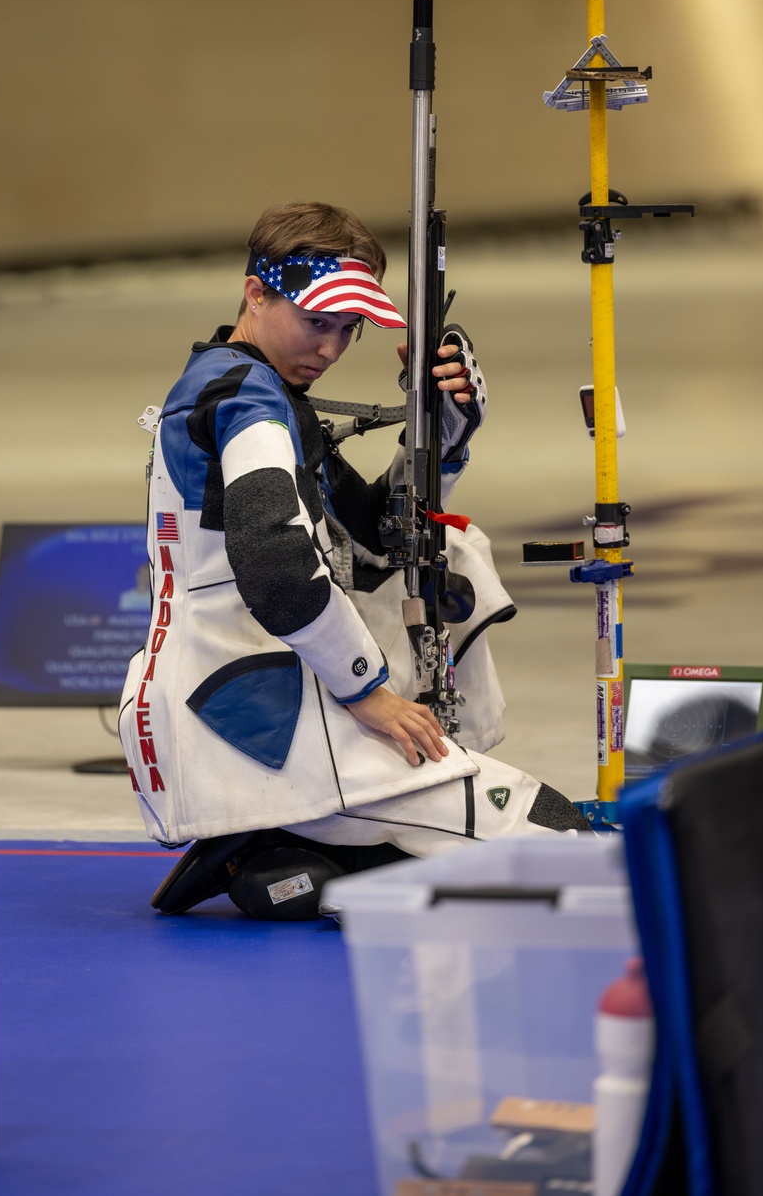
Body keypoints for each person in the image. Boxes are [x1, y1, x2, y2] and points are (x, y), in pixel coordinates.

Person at [119, 202, 590, 919]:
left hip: (232, 702)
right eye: (317, 322)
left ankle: (282, 835)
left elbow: (379, 536)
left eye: (349, 329)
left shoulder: (254, 388)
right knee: (563, 843)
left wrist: (444, 436)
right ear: (256, 293)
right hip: (250, 719)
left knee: (449, 552)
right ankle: (274, 820)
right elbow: (278, 563)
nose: (332, 348)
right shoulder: (245, 397)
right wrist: (367, 693)